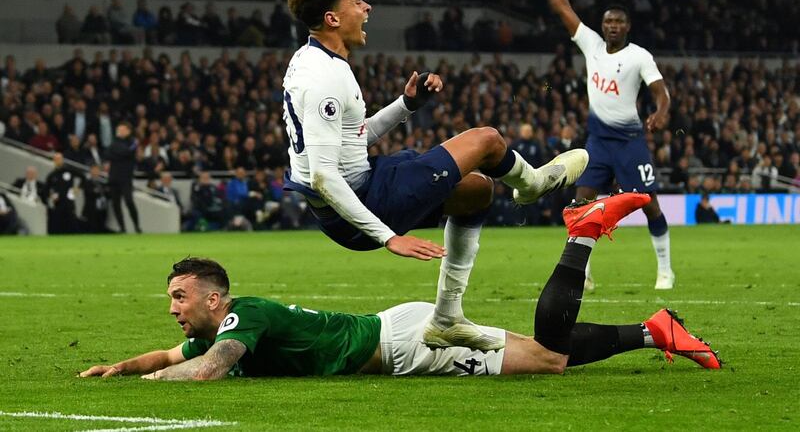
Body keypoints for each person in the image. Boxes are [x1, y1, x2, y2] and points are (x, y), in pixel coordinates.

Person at [78, 193, 720, 381]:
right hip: (400, 330)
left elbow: (207, 370)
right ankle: (651, 330)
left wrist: (157, 382)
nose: (173, 309)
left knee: (550, 358)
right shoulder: (226, 322)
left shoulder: (245, 318)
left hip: (409, 347)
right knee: (546, 349)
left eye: (180, 297)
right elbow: (167, 358)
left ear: (216, 299)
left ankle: (581, 235)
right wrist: (120, 368)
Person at [282, 0, 588, 351]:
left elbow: (352, 142)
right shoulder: (325, 77)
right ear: (332, 18)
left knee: (476, 190)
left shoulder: (311, 61)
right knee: (488, 140)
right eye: (357, 2)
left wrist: (407, 105)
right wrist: (389, 237)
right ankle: (534, 185)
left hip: (364, 185)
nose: (367, 8)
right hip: (359, 203)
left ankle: (446, 319)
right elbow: (324, 175)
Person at [532, 0, 674, 291]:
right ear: (604, 24)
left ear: (627, 27)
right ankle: (583, 272)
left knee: (649, 204)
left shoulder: (639, 55)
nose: (612, 26)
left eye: (618, 22)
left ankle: (665, 269)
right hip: (598, 141)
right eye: (607, 21)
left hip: (629, 141)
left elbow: (661, 92)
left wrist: (660, 111)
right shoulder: (591, 45)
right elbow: (562, 7)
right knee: (582, 207)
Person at [106, 122, 142, 233]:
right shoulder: (115, 143)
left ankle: (136, 226)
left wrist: (123, 154)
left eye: (122, 129)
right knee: (116, 203)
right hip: (114, 177)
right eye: (118, 129)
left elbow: (124, 153)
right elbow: (109, 154)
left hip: (126, 178)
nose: (119, 131)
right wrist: (127, 152)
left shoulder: (131, 142)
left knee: (129, 201)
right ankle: (122, 228)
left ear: (128, 131)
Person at [44, 152, 80, 234]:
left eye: (59, 159)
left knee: (72, 225)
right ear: (54, 161)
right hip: (58, 204)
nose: (58, 161)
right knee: (57, 226)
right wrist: (51, 195)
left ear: (62, 160)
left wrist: (78, 188)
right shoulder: (52, 175)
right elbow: (45, 190)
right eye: (56, 159)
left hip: (69, 203)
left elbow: (83, 177)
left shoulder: (69, 171)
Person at [81, 164, 109, 233]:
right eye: (94, 170)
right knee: (91, 229)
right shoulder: (87, 182)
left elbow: (108, 193)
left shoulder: (102, 182)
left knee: (100, 229)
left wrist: (100, 191)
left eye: (97, 170)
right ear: (91, 171)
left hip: (102, 210)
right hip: (91, 211)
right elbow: (90, 193)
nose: (96, 172)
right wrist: (100, 191)